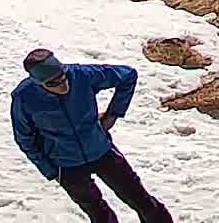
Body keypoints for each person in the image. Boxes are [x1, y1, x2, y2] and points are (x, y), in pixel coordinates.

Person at [11, 49, 175, 223]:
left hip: (101, 150)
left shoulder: (81, 75)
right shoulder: (24, 98)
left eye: (63, 76)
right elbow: (24, 138)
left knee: (142, 201)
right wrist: (50, 170)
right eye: (53, 83)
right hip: (66, 165)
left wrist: (113, 113)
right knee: (98, 214)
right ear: (38, 83)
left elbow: (127, 75)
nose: (63, 85)